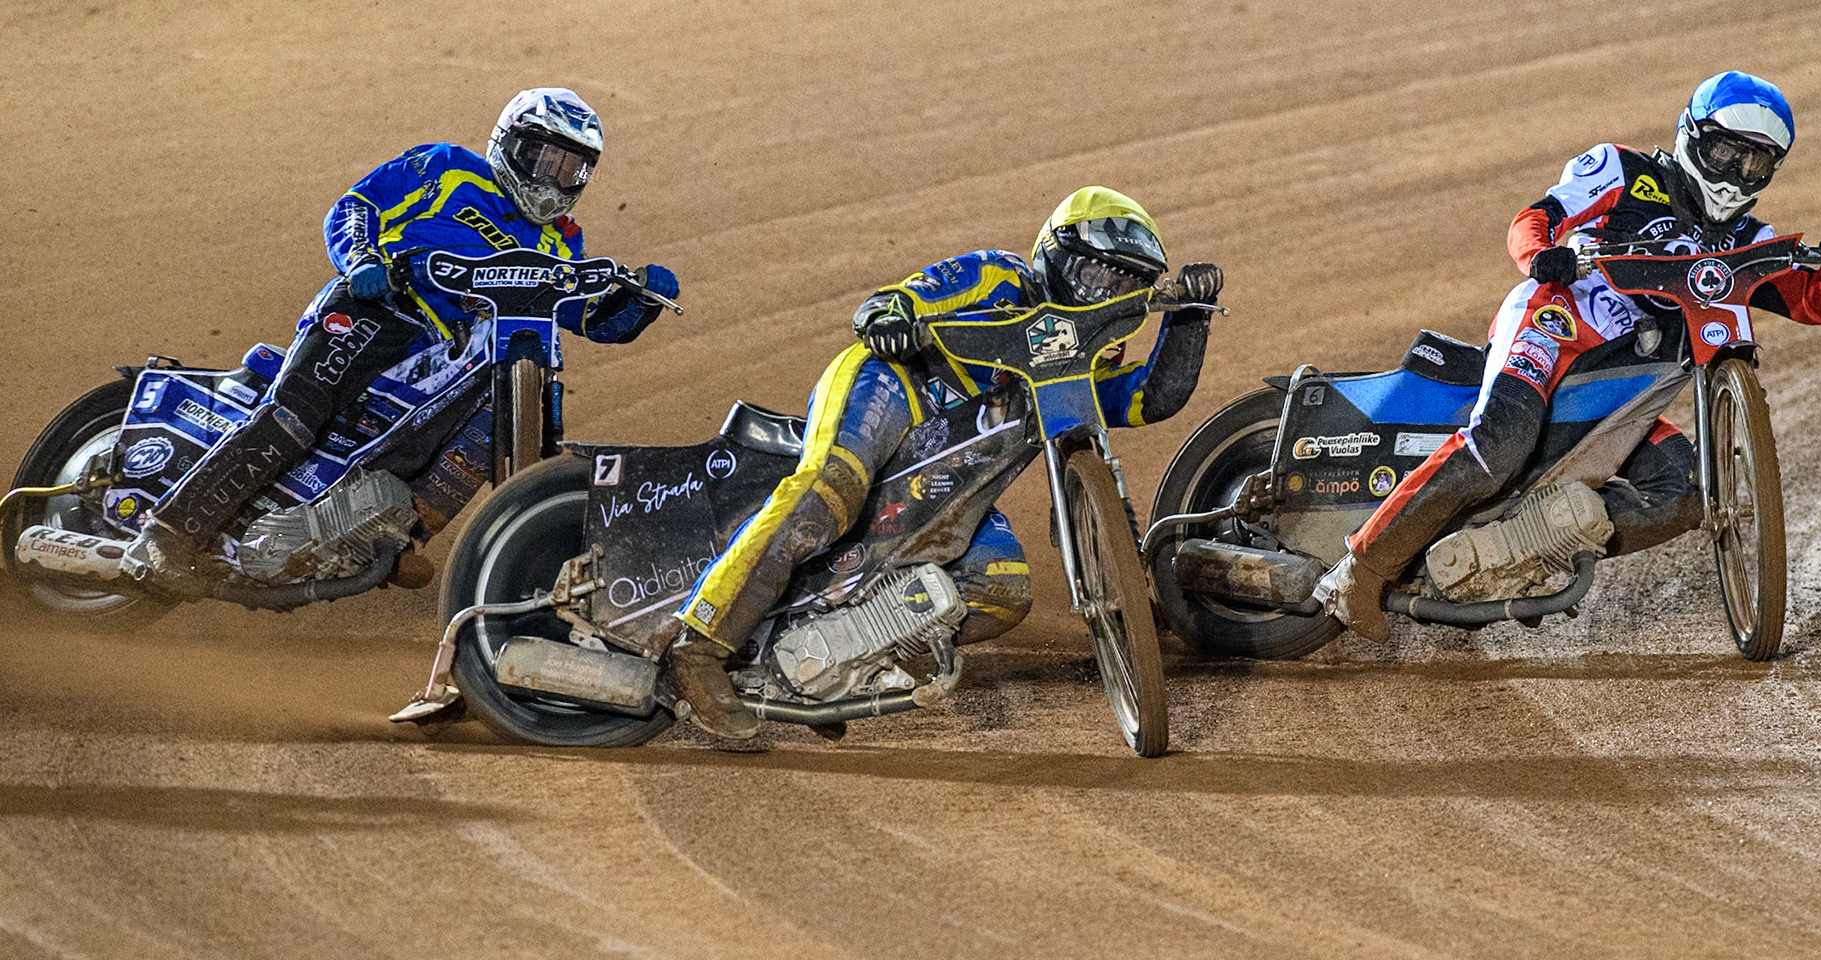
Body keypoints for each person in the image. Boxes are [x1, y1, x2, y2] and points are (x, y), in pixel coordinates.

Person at [1316, 70, 1821, 641]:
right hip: (1553, 325)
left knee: (1684, 493)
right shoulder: (1623, 170)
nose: (1735, 173)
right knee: (1501, 439)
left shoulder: (1750, 241)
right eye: (1725, 151)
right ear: (1692, 135)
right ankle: (1359, 570)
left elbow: (1812, 302)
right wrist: (1541, 256)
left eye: (1753, 162)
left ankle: (1527, 553)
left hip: (1620, 390)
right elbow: (1536, 218)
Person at [663, 186, 1223, 739]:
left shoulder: (1092, 347)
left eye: (1126, 282)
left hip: (947, 477)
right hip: (894, 386)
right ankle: (698, 650)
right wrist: (890, 313)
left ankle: (835, 666)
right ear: (1055, 252)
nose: (1106, 291)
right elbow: (908, 297)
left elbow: (1147, 399)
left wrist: (1189, 319)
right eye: (1097, 273)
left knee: (1001, 589)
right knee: (829, 490)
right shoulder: (999, 273)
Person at [121, 87, 680, 588]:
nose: (555, 179)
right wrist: (361, 260)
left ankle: (397, 532)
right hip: (380, 311)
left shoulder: (560, 243)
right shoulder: (448, 168)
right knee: (296, 415)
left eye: (572, 168)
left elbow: (589, 318)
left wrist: (638, 300)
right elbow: (356, 206)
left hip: (451, 357)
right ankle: (168, 533)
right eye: (545, 159)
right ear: (510, 143)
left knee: (492, 424)